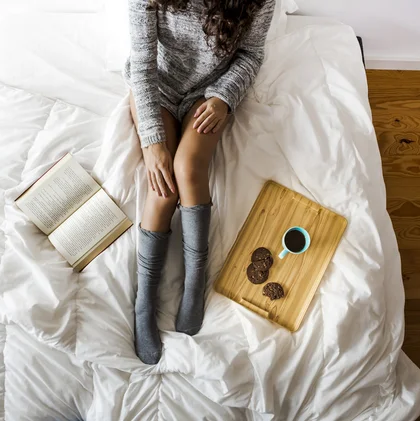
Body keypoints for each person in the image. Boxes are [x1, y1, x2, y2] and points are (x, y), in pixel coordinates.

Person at [126, 0, 275, 364]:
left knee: (189, 169)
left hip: (207, 95)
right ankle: (145, 299)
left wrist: (224, 98)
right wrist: (151, 142)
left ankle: (195, 279)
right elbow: (143, 67)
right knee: (162, 192)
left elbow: (251, 55)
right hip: (155, 87)